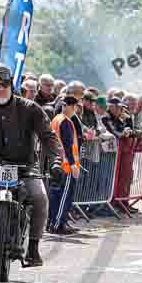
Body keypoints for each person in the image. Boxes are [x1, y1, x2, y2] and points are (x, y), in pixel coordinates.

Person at [0, 63, 64, 267]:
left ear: (11, 84)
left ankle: (33, 248)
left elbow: (48, 138)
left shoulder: (31, 109)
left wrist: (56, 162)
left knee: (40, 198)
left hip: (26, 167)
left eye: (5, 83)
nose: (0, 88)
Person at [48, 95, 82, 235]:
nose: (75, 109)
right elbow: (68, 144)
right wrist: (73, 164)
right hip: (66, 165)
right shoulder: (66, 121)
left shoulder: (56, 119)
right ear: (69, 106)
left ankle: (54, 222)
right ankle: (58, 224)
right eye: (74, 106)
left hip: (57, 163)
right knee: (64, 196)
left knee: (56, 195)